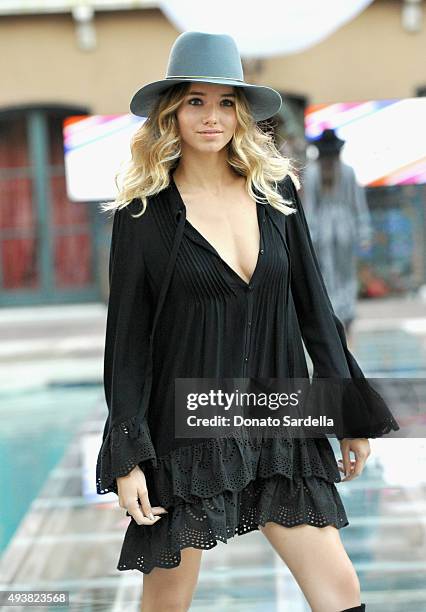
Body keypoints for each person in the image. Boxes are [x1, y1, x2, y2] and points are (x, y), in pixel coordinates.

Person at [95, 31, 398, 612]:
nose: (212, 117)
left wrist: (347, 411)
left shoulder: (274, 192)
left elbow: (316, 310)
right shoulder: (143, 215)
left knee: (340, 590)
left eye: (226, 102)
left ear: (242, 112)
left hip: (280, 409)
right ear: (171, 113)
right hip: (186, 422)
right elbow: (127, 343)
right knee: (167, 603)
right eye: (196, 102)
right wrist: (129, 454)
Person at [301, 129, 373, 346]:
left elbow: (357, 203)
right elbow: (310, 208)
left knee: (346, 274)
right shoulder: (313, 174)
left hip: (345, 231)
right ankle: (332, 321)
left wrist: (364, 232)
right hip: (322, 234)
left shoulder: (347, 172)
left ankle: (347, 319)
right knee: (326, 275)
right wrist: (309, 237)